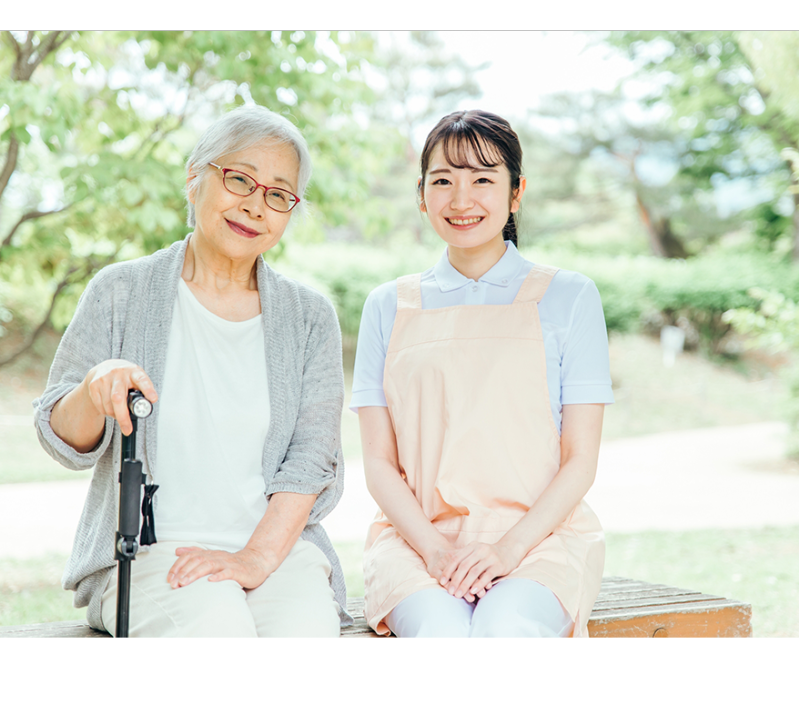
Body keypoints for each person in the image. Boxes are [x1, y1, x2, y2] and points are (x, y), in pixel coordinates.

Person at [33, 104, 350, 637]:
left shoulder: (310, 318)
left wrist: (254, 559)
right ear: (194, 177)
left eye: (278, 194)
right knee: (217, 626)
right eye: (239, 179)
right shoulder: (121, 292)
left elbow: (311, 460)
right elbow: (61, 440)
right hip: (150, 556)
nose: (255, 205)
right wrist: (93, 389)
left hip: (276, 555)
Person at [350, 110, 614, 638]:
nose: (461, 199)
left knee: (508, 627)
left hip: (541, 541)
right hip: (416, 543)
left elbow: (580, 460)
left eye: (482, 180)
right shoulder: (387, 305)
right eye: (442, 181)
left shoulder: (569, 296)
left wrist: (507, 550)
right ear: (421, 195)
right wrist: (435, 550)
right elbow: (378, 463)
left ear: (516, 193)